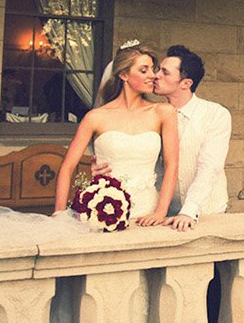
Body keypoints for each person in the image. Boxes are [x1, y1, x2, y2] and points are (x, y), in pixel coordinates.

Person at [53, 42, 178, 225]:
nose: (153, 75)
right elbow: (67, 167)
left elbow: (172, 164)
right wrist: (59, 213)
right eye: (144, 70)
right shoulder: (95, 117)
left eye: (153, 69)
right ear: (124, 74)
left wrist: (160, 212)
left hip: (148, 212)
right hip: (103, 210)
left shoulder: (164, 112)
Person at [150, 44, 231, 232]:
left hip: (207, 212)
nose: (156, 75)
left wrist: (189, 210)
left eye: (165, 72)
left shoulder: (216, 114)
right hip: (165, 214)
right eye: (158, 70)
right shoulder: (153, 115)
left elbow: (210, 167)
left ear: (186, 83)